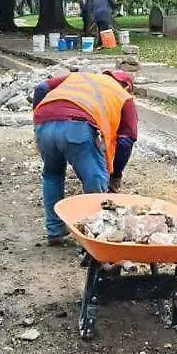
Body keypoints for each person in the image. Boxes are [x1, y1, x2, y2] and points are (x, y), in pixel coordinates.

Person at [32, 69, 138, 245]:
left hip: (44, 122)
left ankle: (55, 231)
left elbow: (41, 88)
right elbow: (126, 141)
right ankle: (96, 236)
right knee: (95, 178)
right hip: (76, 127)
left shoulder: (78, 77)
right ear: (127, 86)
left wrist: (38, 121)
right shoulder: (124, 96)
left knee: (52, 175)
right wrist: (115, 174)